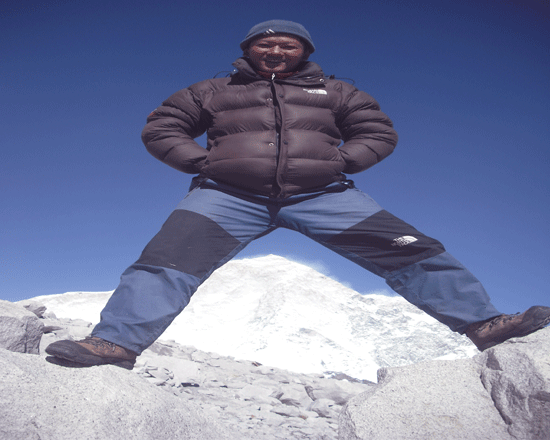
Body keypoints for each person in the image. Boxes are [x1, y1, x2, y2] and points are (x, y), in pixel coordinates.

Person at [46, 20, 550, 370]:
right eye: (265, 45)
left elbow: (377, 131)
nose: (276, 51)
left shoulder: (337, 92)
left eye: (288, 45)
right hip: (226, 194)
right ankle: (113, 344)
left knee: (413, 251)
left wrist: (342, 162)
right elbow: (163, 127)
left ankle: (485, 324)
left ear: (305, 52)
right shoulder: (211, 91)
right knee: (166, 262)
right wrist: (203, 163)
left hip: (324, 193)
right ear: (248, 51)